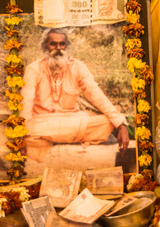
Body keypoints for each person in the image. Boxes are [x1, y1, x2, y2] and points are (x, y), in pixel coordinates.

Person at [22, 28, 130, 162]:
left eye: (62, 44)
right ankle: (62, 136)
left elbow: (96, 94)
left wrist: (121, 124)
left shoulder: (78, 67)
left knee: (107, 122)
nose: (58, 48)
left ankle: (49, 137)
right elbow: (26, 102)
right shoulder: (34, 69)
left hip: (70, 121)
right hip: (43, 121)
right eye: (53, 44)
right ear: (45, 46)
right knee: (31, 126)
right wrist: (23, 133)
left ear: (66, 46)